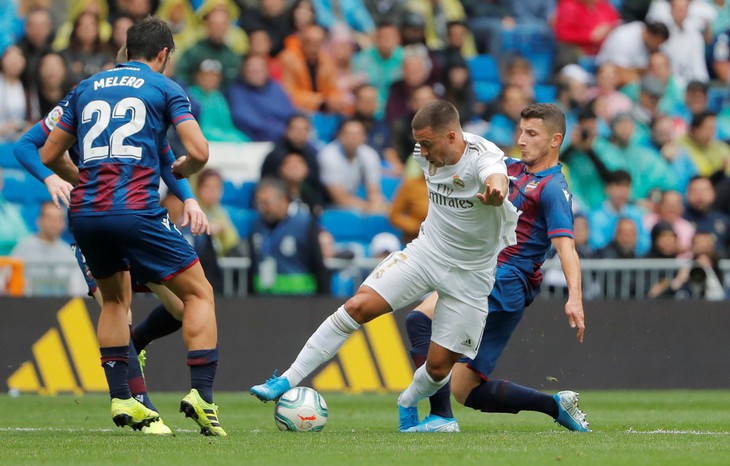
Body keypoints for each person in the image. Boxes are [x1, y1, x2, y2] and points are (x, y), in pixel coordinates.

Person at [250, 100, 519, 434]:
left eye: (427, 143)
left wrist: (496, 192)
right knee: (357, 305)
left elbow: (496, 178)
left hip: (471, 275)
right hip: (427, 253)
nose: (420, 150)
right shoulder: (423, 156)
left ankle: (407, 400)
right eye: (417, 142)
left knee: (437, 369)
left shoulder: (484, 156)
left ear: (452, 136)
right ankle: (286, 379)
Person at [39, 18, 226, 436]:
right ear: (163, 54)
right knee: (198, 293)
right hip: (138, 211)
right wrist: (188, 167)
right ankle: (202, 395)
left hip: (85, 214)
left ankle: (121, 395)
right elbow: (199, 150)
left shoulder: (85, 88)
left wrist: (84, 181)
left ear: (126, 50)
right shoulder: (164, 87)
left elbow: (49, 154)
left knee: (113, 302)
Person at [401, 103, 589, 433]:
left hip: (506, 278)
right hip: (491, 278)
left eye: (532, 134)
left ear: (555, 140)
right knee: (465, 390)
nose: (522, 139)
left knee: (420, 320)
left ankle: (440, 418)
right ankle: (555, 405)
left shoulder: (553, 189)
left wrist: (575, 297)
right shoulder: (509, 168)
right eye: (521, 131)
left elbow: (567, 248)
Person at [247, 177, 329, 295]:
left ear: (284, 200)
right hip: (264, 299)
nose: (262, 208)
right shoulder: (256, 225)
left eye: (266, 203)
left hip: (300, 300)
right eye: (259, 203)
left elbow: (317, 264)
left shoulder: (304, 224)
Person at [10, 202, 86, 296]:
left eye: (59, 219)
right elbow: (8, 279)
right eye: (50, 218)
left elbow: (77, 289)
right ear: (39, 220)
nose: (54, 223)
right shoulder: (23, 248)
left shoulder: (69, 253)